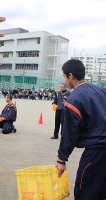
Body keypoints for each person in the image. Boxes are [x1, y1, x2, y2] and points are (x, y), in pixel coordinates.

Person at [56, 59, 106, 200]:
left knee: (85, 190)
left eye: (64, 76)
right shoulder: (101, 91)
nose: (64, 80)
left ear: (71, 76)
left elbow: (69, 133)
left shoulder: (74, 99)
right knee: (100, 191)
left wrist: (61, 159)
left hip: (96, 151)